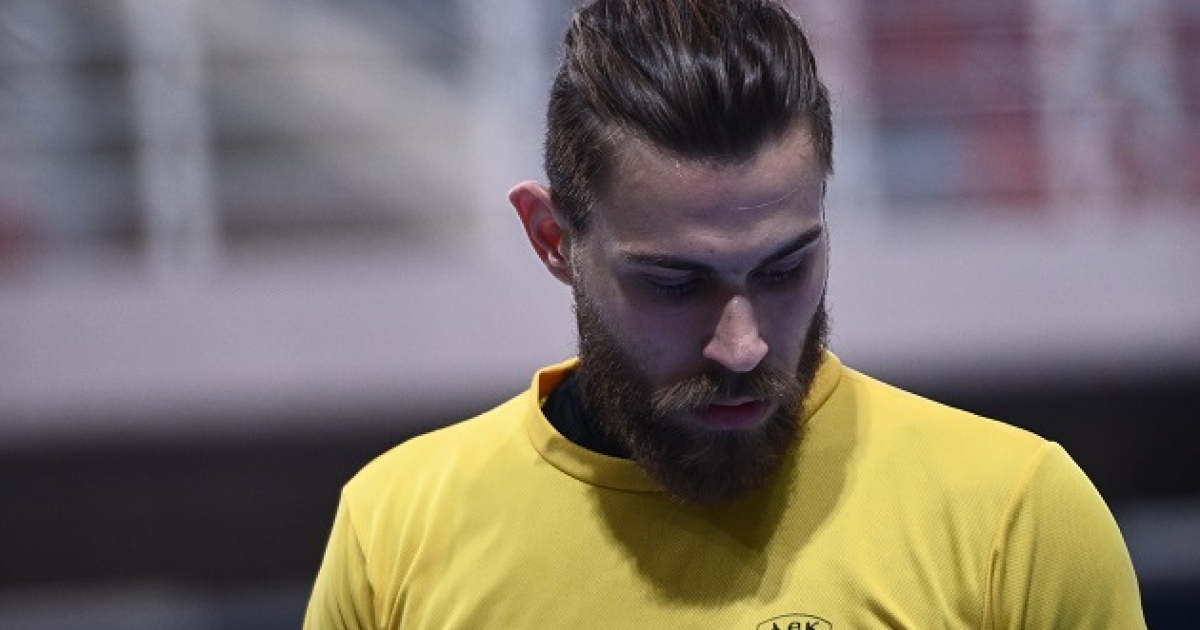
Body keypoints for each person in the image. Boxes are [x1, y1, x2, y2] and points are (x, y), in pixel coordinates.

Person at [304, 0, 1146, 627]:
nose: (742, 346)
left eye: (785, 268)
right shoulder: (396, 533)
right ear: (553, 238)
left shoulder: (1015, 518)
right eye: (675, 283)